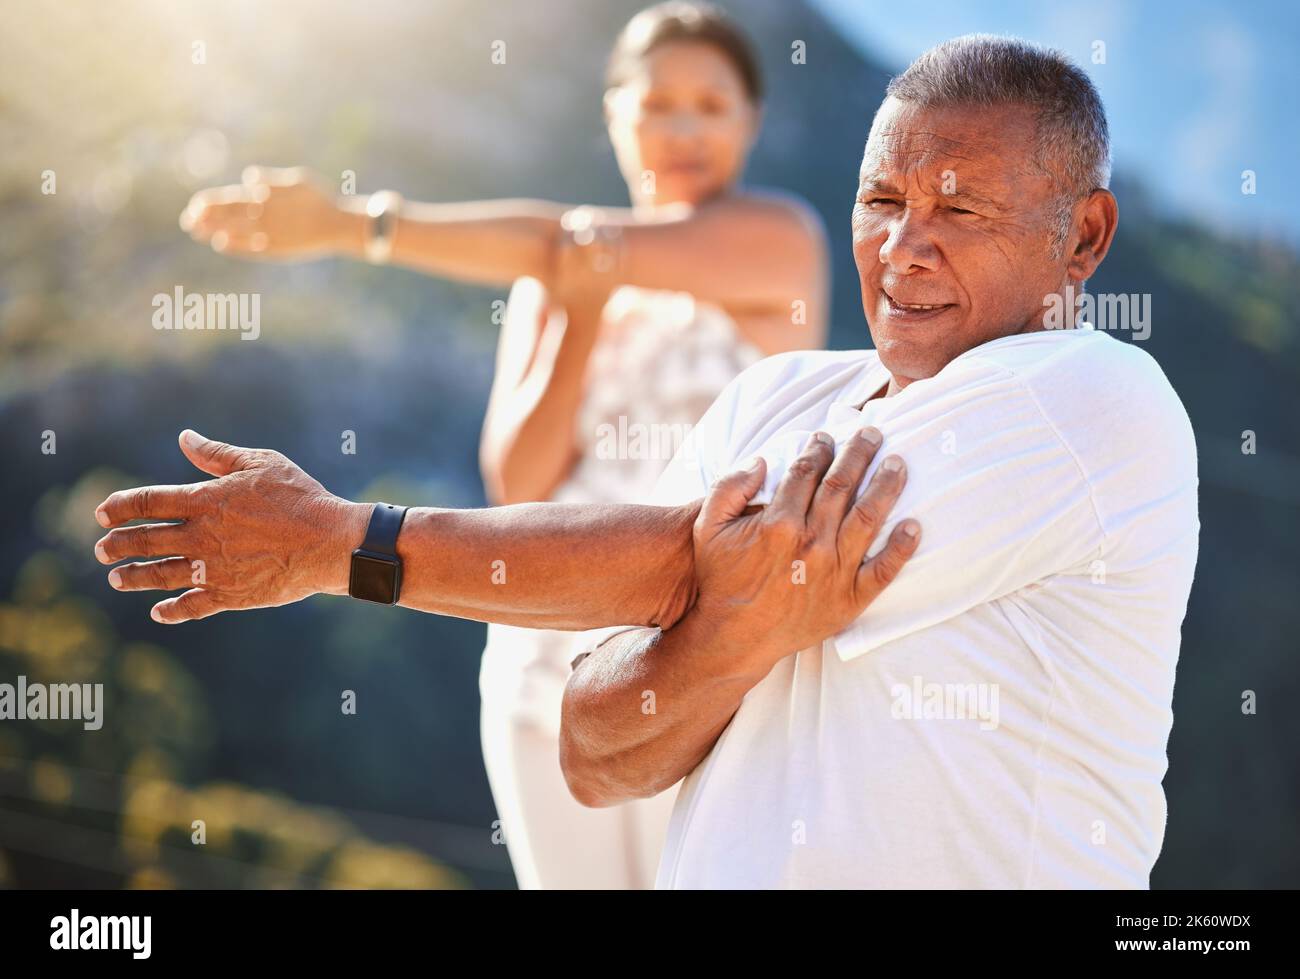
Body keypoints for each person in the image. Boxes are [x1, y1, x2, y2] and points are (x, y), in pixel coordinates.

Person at [99, 33, 1198, 890]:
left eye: (959, 207)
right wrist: (733, 628)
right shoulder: (774, 397)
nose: (904, 245)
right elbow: (593, 748)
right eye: (880, 199)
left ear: (1084, 238)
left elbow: (680, 558)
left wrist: (347, 543)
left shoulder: (1095, 397)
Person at [177, 1, 829, 888]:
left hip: (715, 661)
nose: (683, 128)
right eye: (656, 103)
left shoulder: (779, 243)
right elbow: (518, 476)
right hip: (541, 661)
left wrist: (350, 223)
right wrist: (580, 315)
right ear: (613, 116)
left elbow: (567, 240)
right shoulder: (545, 286)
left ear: (751, 123)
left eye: (712, 106)